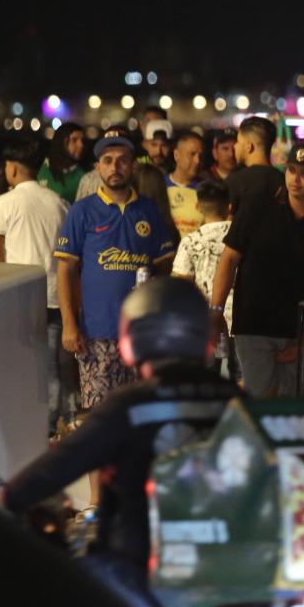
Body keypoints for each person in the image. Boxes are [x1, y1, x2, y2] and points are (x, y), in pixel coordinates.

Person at [0, 278, 242, 607]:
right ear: (203, 336)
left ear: (133, 338)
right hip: (232, 572)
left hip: (140, 573)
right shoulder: (237, 401)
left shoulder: (129, 405)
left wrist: (4, 501)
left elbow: (54, 470)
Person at [54, 130, 176, 414]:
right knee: (98, 416)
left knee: (139, 413)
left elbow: (165, 265)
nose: (115, 167)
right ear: (97, 168)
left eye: (122, 160)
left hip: (140, 334)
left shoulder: (148, 210)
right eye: (107, 160)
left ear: (133, 165)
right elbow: (65, 270)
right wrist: (69, 324)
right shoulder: (82, 211)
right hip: (96, 334)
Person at [211, 142, 304, 399]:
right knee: (259, 403)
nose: (296, 179)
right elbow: (229, 258)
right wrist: (216, 310)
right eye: (291, 170)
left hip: (297, 328)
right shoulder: (258, 205)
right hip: (253, 325)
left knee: (298, 409)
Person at [0, 139, 72, 433]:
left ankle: (17, 423)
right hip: (53, 296)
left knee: (15, 363)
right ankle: (47, 427)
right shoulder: (59, 203)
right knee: (49, 366)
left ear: (11, 169)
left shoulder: (2, 204)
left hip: (16, 297)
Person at [172, 179, 234, 377]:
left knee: (208, 382)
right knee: (243, 382)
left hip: (206, 326)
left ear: (198, 207)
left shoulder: (190, 241)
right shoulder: (241, 235)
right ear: (229, 206)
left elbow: (180, 285)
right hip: (243, 324)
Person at [165, 130, 206, 236]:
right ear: (176, 155)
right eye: (192, 154)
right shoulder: (160, 186)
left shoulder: (206, 191)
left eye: (200, 156)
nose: (197, 161)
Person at [39, 124, 89, 203]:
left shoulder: (86, 173)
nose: (81, 145)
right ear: (61, 142)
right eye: (74, 140)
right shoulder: (40, 168)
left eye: (83, 141)